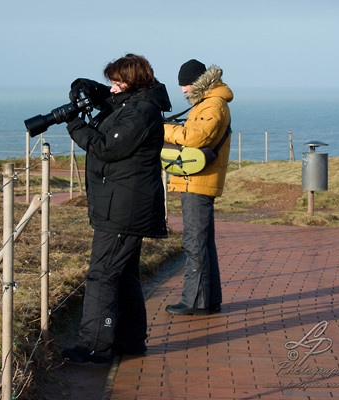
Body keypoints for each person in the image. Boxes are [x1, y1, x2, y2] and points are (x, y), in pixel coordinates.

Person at [61, 53, 171, 365]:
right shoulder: (131, 101)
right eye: (111, 82)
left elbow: (108, 147)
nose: (112, 88)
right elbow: (102, 95)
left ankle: (95, 346)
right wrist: (80, 88)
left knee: (103, 274)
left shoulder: (139, 111)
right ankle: (130, 340)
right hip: (123, 204)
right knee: (124, 275)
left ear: (132, 83)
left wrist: (73, 123)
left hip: (123, 208)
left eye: (117, 82)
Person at [164, 59, 233, 316]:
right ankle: (209, 299)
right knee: (204, 242)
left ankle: (194, 300)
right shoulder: (209, 103)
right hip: (199, 179)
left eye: (186, 84)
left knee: (194, 241)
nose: (182, 90)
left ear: (199, 82)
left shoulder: (212, 105)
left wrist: (164, 130)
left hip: (198, 181)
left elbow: (195, 137)